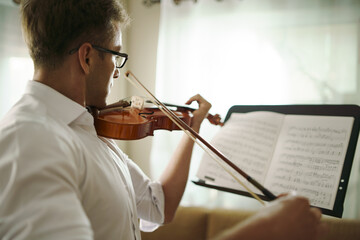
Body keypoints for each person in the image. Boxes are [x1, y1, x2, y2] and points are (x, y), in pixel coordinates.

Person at [0, 0, 325, 239]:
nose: (116, 69)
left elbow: (160, 206)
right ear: (86, 57)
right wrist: (266, 230)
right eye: (116, 54)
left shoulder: (90, 130)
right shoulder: (32, 139)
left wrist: (190, 129)